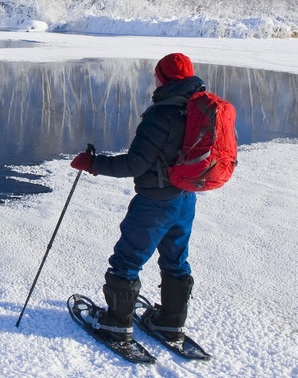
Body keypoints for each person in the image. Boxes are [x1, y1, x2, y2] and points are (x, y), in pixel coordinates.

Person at [69, 52, 204, 344]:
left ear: (163, 78)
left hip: (155, 202)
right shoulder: (199, 109)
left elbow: (135, 165)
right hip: (186, 197)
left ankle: (116, 325)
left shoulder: (161, 115)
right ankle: (170, 323)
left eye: (158, 75)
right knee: (176, 259)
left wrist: (93, 164)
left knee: (127, 260)